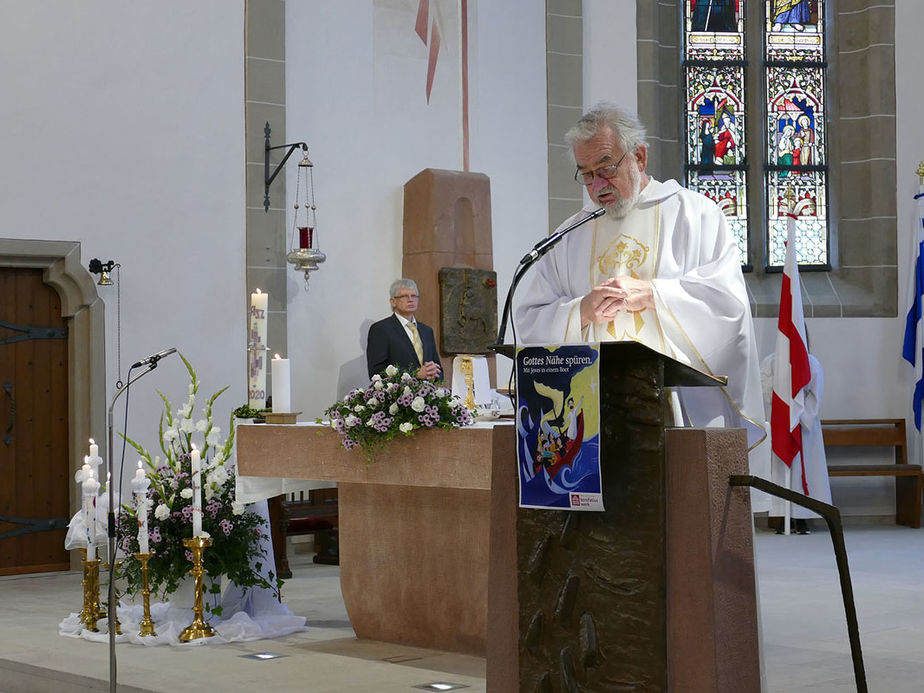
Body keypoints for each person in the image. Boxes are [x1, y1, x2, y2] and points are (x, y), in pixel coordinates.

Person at [514, 103, 767, 481]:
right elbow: (530, 319)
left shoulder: (694, 215)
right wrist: (580, 312)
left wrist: (655, 295)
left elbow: (728, 307)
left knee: (685, 515)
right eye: (586, 175)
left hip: (675, 410)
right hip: (592, 414)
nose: (598, 186)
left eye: (606, 169)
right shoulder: (571, 234)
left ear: (639, 156)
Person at [366, 278, 442, 380]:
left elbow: (438, 370)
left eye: (414, 296)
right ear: (393, 302)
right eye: (405, 296)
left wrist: (434, 373)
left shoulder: (427, 331)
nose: (411, 299)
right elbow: (376, 371)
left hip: (427, 393)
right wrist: (414, 374)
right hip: (396, 394)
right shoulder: (381, 329)